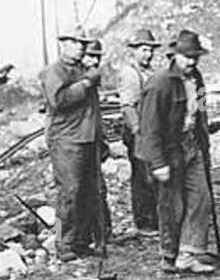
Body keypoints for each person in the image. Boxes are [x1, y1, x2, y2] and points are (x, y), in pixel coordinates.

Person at [138, 29, 215, 274]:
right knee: (172, 204)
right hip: (169, 150)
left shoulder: (198, 79)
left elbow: (202, 110)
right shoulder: (160, 83)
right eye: (186, 57)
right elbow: (149, 128)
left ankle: (187, 253)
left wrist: (205, 144)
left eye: (195, 57)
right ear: (175, 55)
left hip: (192, 144)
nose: (191, 62)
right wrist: (158, 162)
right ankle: (169, 255)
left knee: (201, 198)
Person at [39, 29, 100, 261]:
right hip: (66, 140)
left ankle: (81, 241)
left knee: (85, 192)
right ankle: (62, 242)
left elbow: (94, 109)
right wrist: (85, 83)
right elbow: (59, 100)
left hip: (86, 138)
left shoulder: (81, 70)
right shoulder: (54, 71)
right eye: (75, 43)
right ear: (63, 44)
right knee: (69, 193)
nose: (80, 47)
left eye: (82, 43)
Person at [117, 27, 163, 237]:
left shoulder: (149, 72)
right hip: (139, 132)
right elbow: (127, 107)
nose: (148, 54)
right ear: (134, 51)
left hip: (151, 131)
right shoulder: (130, 73)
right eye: (144, 50)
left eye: (150, 50)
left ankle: (154, 219)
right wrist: (137, 132)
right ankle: (144, 223)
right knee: (143, 177)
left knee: (152, 175)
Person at [81, 38, 112, 248]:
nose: (93, 61)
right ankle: (63, 238)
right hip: (74, 145)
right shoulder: (77, 81)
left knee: (98, 190)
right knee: (72, 194)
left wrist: (102, 140)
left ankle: (101, 235)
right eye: (90, 56)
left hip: (92, 142)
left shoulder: (92, 82)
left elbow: (95, 116)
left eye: (97, 57)